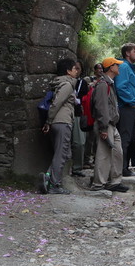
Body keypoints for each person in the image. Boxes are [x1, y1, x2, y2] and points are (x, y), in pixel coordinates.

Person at [40, 58, 81, 194]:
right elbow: (56, 103)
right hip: (62, 122)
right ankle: (54, 185)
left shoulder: (61, 83)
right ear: (68, 71)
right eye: (74, 68)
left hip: (59, 122)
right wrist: (48, 121)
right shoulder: (67, 85)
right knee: (61, 154)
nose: (77, 71)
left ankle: (47, 177)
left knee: (65, 153)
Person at [91, 57, 128, 192]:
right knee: (104, 154)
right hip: (106, 125)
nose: (119, 67)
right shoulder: (102, 84)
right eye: (117, 65)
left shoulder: (109, 83)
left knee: (117, 152)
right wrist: (103, 128)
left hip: (112, 124)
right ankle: (98, 184)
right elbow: (101, 107)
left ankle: (115, 182)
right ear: (111, 67)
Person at [114, 43, 135, 176]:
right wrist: (133, 102)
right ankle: (122, 169)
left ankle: (124, 168)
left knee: (129, 139)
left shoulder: (129, 67)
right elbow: (121, 87)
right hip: (126, 108)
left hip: (131, 108)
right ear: (127, 53)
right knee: (125, 139)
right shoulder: (124, 66)